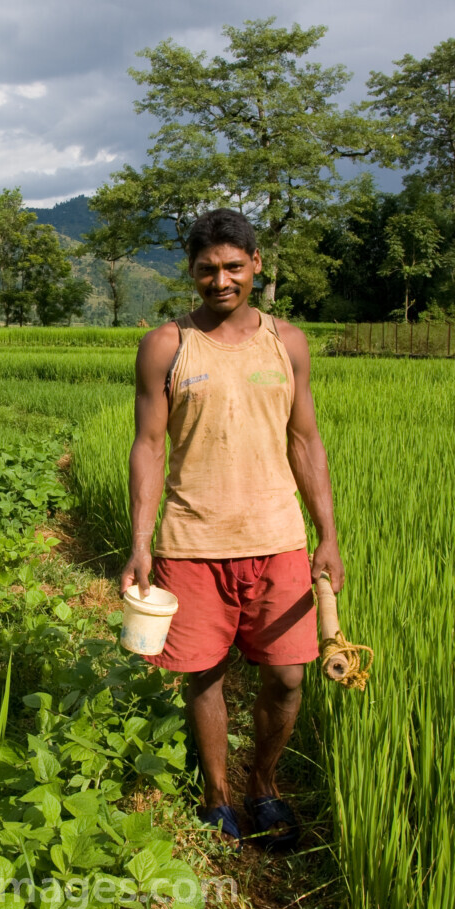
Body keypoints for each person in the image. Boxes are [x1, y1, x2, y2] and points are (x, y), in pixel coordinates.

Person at [120, 208, 344, 852]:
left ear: (256, 266)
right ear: (191, 273)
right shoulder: (167, 344)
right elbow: (149, 446)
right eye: (206, 269)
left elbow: (305, 439)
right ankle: (217, 793)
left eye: (233, 267)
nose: (220, 280)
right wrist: (140, 544)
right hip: (192, 542)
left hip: (278, 539)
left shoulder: (287, 342)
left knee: (288, 677)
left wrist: (327, 534)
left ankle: (264, 785)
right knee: (205, 673)